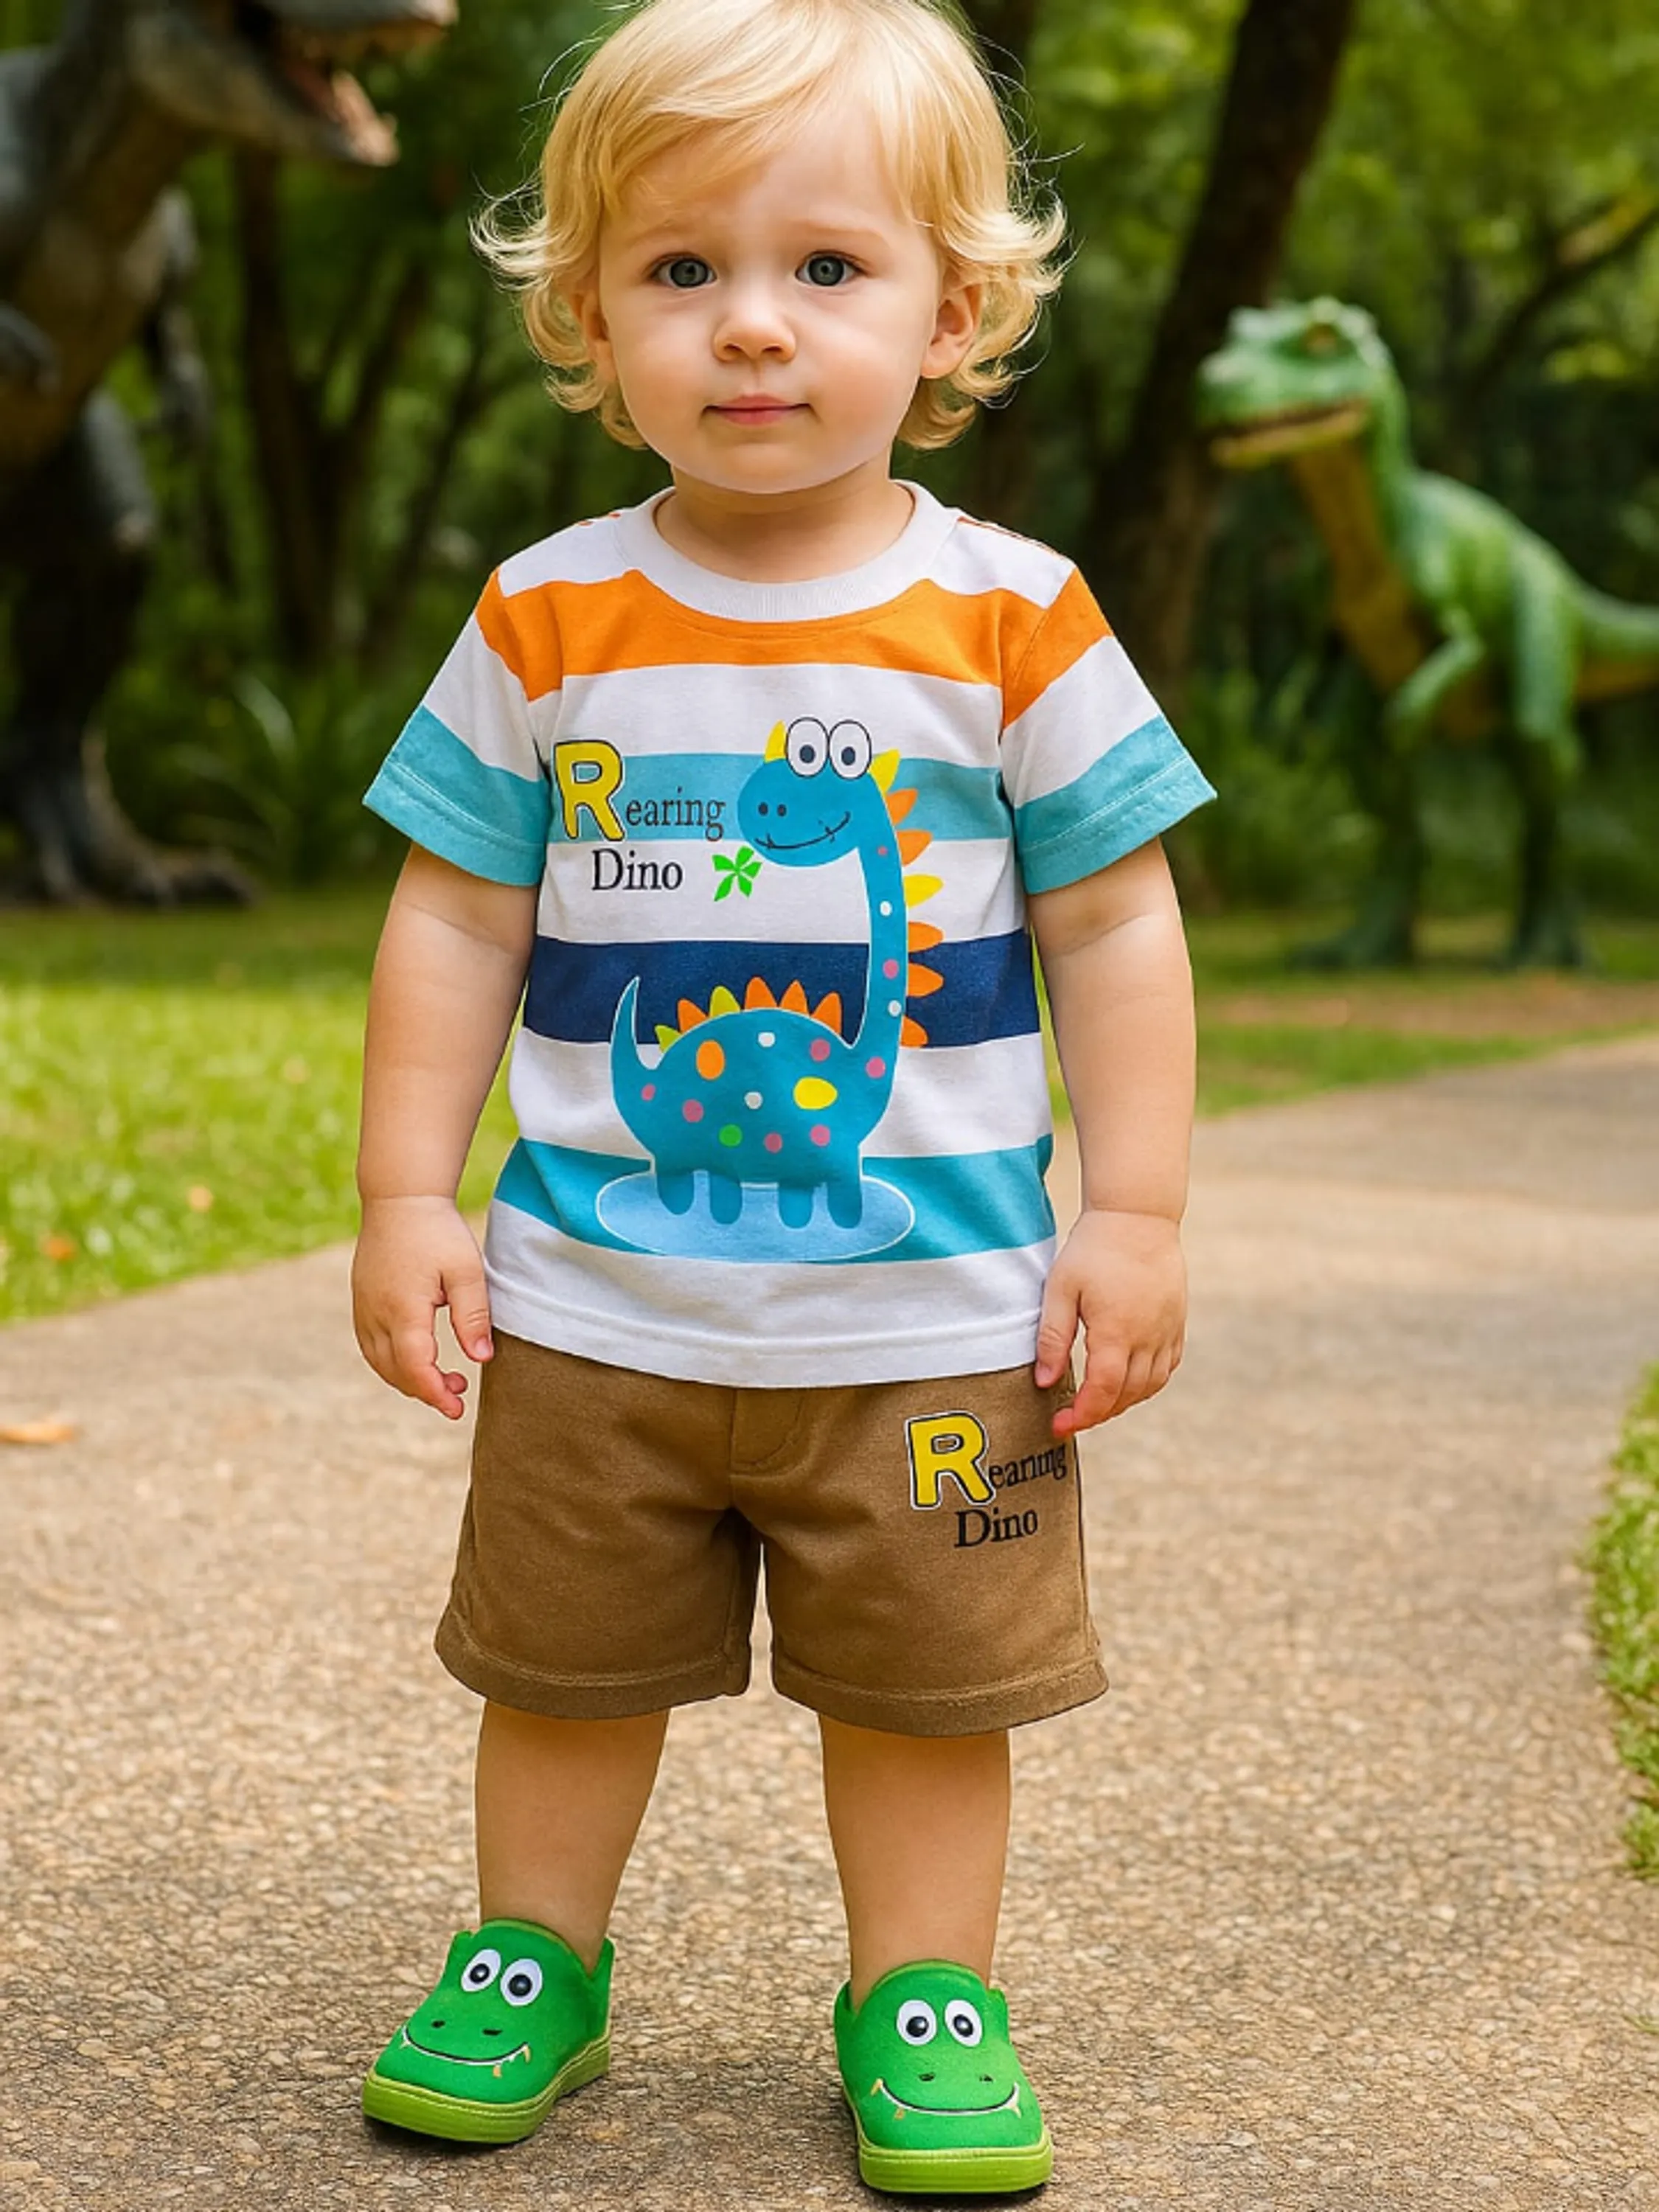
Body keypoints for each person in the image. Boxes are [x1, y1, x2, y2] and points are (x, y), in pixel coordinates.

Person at [349, 0, 1214, 2191]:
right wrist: (404, 1194)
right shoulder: (546, 622)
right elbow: (455, 918)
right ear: (591, 311)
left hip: (931, 1322)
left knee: (930, 1691)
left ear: (953, 308)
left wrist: (1135, 1219)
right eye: (682, 271)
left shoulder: (1014, 621)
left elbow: (1117, 925)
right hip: (592, 1312)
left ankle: (924, 1987)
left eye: (826, 269)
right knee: (557, 1666)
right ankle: (532, 1948)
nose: (753, 328)